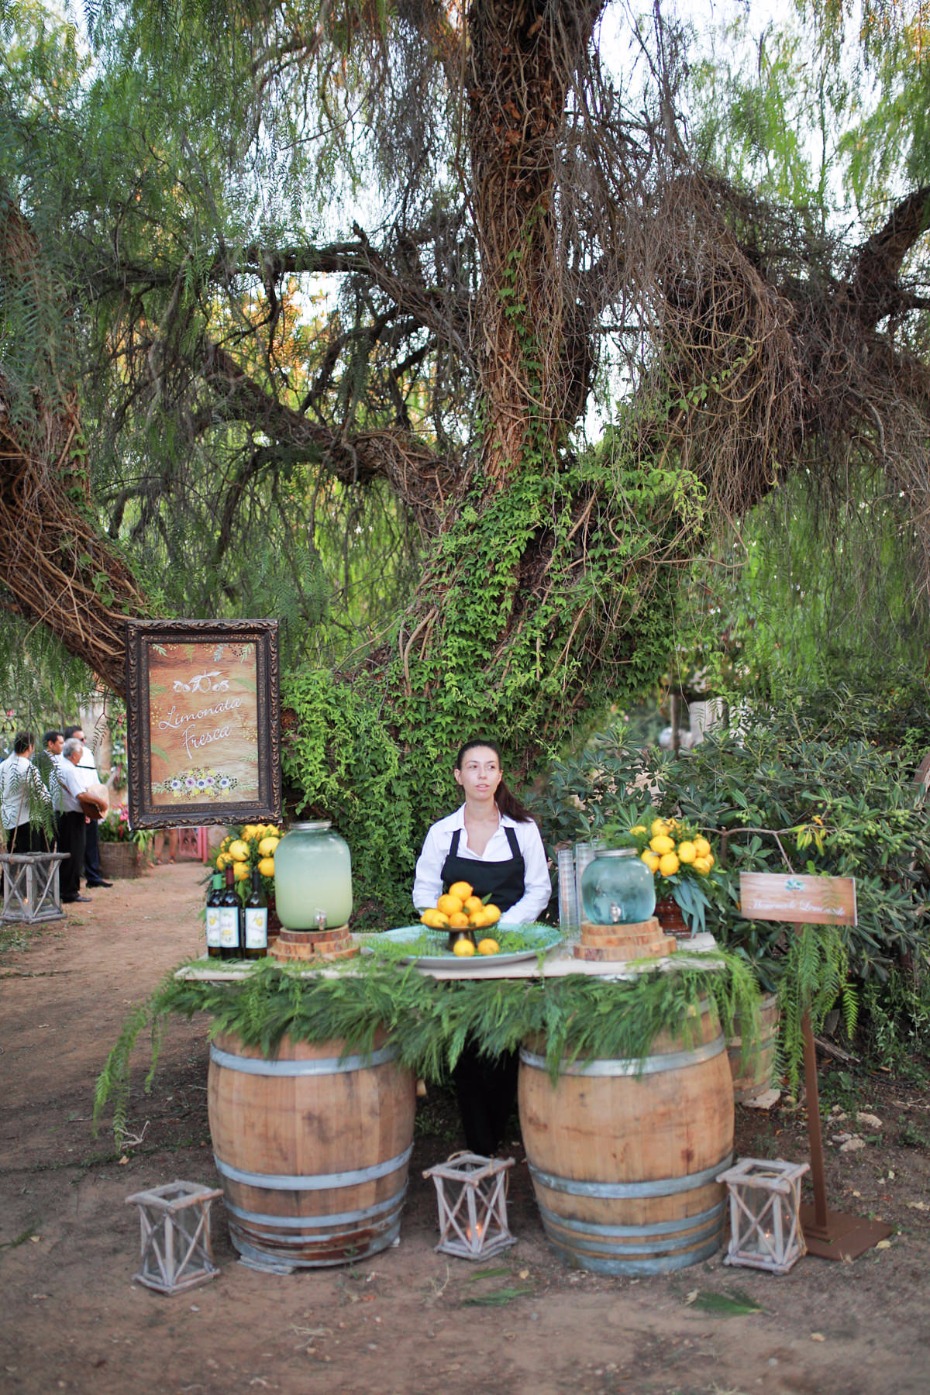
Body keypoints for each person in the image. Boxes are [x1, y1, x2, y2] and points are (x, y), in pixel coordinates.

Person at [412, 739, 552, 1154]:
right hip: (458, 952)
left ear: (500, 776)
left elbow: (538, 891)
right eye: (473, 767)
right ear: (459, 777)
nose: (482, 775)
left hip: (511, 950)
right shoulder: (441, 833)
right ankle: (480, 1144)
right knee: (468, 1044)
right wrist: (455, 927)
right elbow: (424, 893)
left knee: (507, 1041)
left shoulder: (523, 831)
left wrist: (500, 926)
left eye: (490, 767)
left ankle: (496, 1135)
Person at [63, 724, 113, 888]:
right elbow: (77, 787)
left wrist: (99, 797)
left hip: (93, 801)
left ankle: (94, 876)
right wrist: (85, 805)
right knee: (78, 845)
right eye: (80, 739)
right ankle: (75, 881)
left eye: (85, 738)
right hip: (80, 803)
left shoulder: (88, 754)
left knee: (92, 841)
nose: (84, 741)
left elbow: (93, 777)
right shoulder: (67, 761)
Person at [0, 731, 51, 853]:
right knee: (29, 859)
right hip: (25, 820)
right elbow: (42, 793)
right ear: (30, 747)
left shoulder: (3, 765)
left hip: (7, 819)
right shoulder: (27, 767)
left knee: (14, 857)